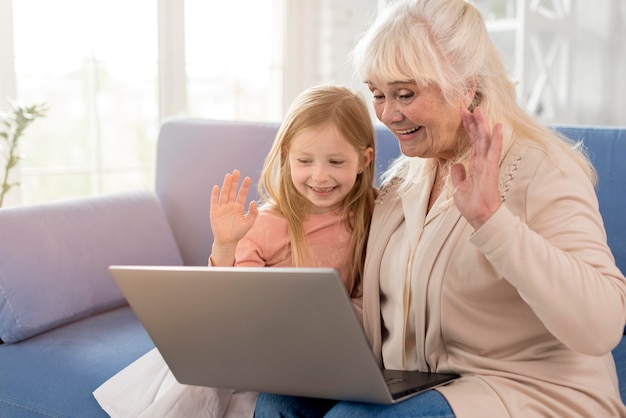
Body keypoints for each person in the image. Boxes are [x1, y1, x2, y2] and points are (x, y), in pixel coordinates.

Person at [254, 0, 626, 417]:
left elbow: (603, 325)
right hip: (419, 383)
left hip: (525, 390)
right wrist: (292, 328)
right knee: (277, 404)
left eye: (405, 94)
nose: (388, 114)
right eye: (377, 94)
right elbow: (387, 309)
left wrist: (493, 222)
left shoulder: (541, 170)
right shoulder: (403, 180)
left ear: (466, 85)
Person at [92, 84, 377, 417]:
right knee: (214, 383)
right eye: (305, 160)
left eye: (336, 161)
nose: (319, 175)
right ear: (286, 157)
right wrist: (226, 245)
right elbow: (231, 303)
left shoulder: (374, 212)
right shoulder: (267, 222)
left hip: (323, 355)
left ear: (363, 160)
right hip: (261, 352)